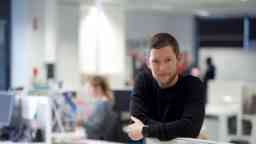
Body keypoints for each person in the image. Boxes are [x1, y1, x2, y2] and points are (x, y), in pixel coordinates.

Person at [128, 33, 206, 141]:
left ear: (178, 60)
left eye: (168, 60)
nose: (162, 68)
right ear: (148, 63)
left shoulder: (193, 85)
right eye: (155, 61)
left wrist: (146, 130)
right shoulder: (143, 81)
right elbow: (136, 121)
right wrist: (177, 128)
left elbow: (191, 129)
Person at [79, 75, 118, 141]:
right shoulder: (106, 101)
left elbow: (95, 127)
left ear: (98, 88)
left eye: (89, 87)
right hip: (100, 138)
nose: (88, 90)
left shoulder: (102, 104)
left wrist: (82, 123)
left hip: (97, 139)